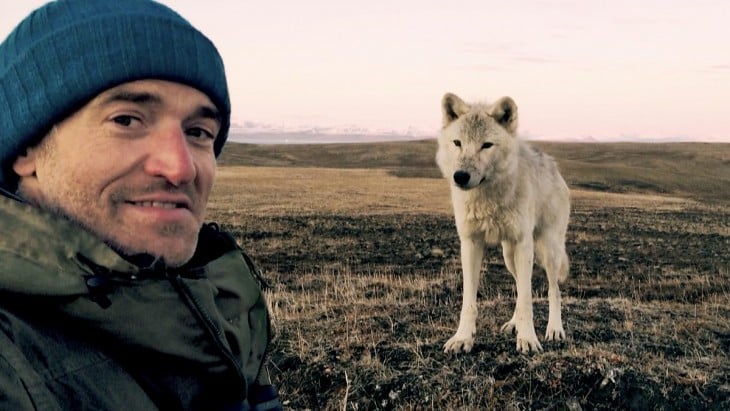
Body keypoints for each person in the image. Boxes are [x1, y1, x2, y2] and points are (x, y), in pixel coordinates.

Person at [0, 0, 282, 409]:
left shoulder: (221, 313)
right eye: (127, 120)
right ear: (26, 149)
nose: (180, 168)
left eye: (199, 131)